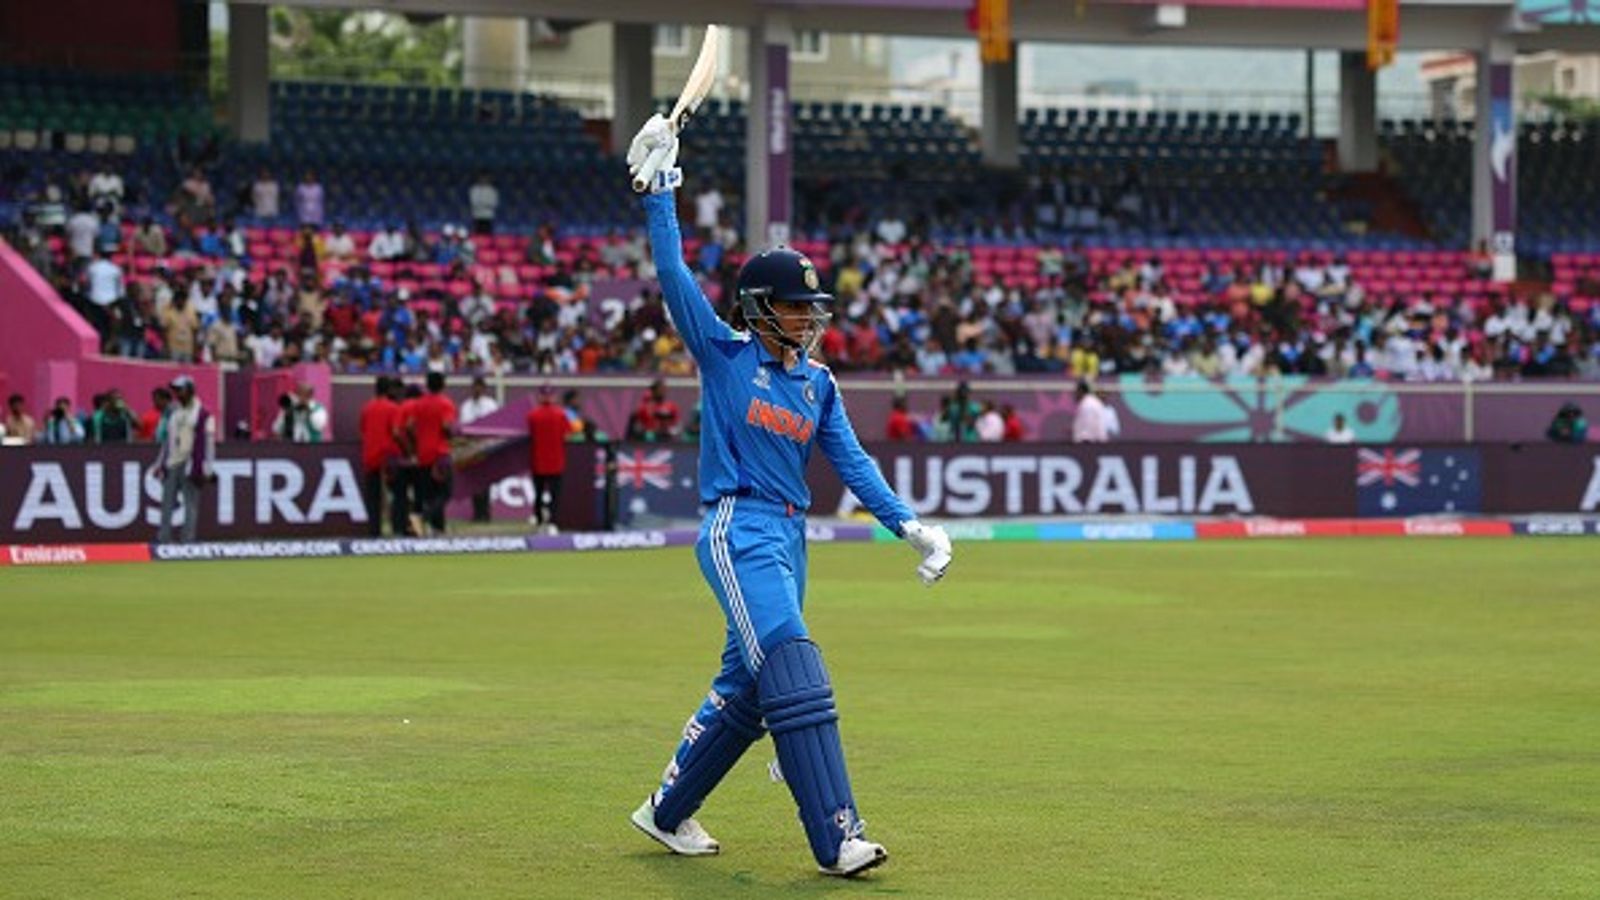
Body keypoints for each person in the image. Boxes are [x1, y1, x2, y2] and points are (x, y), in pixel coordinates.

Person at [624, 114, 953, 879]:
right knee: (793, 666)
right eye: (798, 307)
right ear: (760, 308)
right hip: (737, 528)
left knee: (747, 689)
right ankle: (837, 836)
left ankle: (664, 813)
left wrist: (910, 526)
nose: (810, 318)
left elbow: (853, 461)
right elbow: (674, 277)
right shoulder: (724, 352)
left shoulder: (818, 382)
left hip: (790, 537)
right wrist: (660, 190)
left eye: (815, 308)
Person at [153, 375, 215, 544]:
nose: (177, 393)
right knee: (166, 503)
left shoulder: (203, 413)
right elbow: (168, 441)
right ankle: (164, 539)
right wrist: (159, 463)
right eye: (176, 390)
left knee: (190, 504)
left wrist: (207, 467)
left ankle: (187, 540)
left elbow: (208, 443)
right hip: (173, 462)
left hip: (190, 463)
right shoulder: (175, 413)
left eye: (180, 389)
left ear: (190, 390)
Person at [404, 371, 457, 535]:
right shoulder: (445, 404)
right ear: (442, 385)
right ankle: (422, 518)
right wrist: (451, 436)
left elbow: (409, 426)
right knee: (446, 492)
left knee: (431, 495)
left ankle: (437, 529)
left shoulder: (418, 404)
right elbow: (447, 426)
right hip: (440, 454)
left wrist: (416, 443)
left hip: (423, 454)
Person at [358, 376, 404, 536]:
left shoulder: (366, 408)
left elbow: (362, 432)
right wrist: (406, 449)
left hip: (370, 457)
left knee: (373, 498)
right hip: (389, 459)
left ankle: (374, 532)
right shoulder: (393, 408)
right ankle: (397, 528)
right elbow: (396, 432)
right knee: (398, 495)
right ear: (390, 390)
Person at [526, 384, 569, 533]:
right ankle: (552, 522)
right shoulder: (561, 414)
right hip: (555, 462)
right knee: (554, 494)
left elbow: (529, 435)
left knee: (538, 493)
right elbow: (567, 433)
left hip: (539, 461)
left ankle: (539, 520)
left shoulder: (533, 415)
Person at [460, 377, 501, 522]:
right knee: (474, 482)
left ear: (483, 389)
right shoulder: (466, 406)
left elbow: (495, 424)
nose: (476, 390)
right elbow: (464, 426)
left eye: (479, 387)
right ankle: (477, 513)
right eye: (474, 387)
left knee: (485, 481)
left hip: (487, 446)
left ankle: (485, 512)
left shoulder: (490, 404)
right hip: (471, 448)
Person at [628, 377, 681, 442]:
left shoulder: (671, 406)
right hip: (648, 438)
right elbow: (637, 425)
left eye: (664, 389)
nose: (662, 391)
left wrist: (670, 431)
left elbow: (677, 424)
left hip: (666, 438)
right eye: (660, 389)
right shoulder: (644, 407)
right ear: (653, 391)